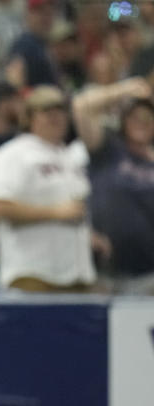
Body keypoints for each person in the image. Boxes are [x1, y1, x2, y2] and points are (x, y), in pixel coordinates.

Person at [0, 85, 96, 292]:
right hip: (33, 273)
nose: (56, 117)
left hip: (77, 274)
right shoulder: (13, 154)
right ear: (29, 117)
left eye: (60, 111)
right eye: (47, 111)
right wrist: (55, 213)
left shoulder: (71, 156)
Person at [72, 77, 154, 294]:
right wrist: (125, 89)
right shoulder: (108, 151)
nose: (142, 122)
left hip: (149, 275)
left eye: (148, 117)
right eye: (134, 117)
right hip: (106, 272)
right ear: (123, 121)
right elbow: (81, 107)